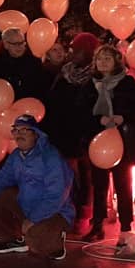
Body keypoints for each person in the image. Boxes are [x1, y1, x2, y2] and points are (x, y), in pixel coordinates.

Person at [0, 115, 74, 259]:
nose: (19, 135)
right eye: (16, 130)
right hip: (28, 208)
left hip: (55, 212)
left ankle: (57, 240)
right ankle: (13, 240)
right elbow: (1, 178)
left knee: (36, 242)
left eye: (25, 130)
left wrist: (33, 219)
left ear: (36, 134)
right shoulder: (16, 156)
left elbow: (56, 196)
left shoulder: (50, 157)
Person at [79, 44, 135, 244]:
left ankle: (125, 229)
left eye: (107, 59)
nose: (103, 63)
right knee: (99, 185)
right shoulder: (89, 85)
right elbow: (80, 112)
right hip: (96, 142)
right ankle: (97, 224)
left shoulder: (127, 83)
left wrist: (122, 117)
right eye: (100, 59)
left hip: (121, 142)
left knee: (123, 185)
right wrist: (98, 120)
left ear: (116, 61)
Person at [43, 33, 99, 229]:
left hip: (85, 133)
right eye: (73, 49)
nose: (72, 53)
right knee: (67, 175)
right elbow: (53, 100)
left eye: (78, 50)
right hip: (63, 131)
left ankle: (84, 215)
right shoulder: (65, 72)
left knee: (86, 176)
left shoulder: (95, 75)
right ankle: (67, 212)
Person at [0, 27, 51, 103]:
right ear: (6, 44)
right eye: (15, 44)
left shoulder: (34, 62)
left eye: (22, 43)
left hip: (28, 105)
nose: (19, 47)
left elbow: (41, 88)